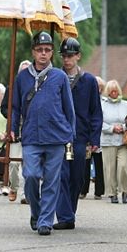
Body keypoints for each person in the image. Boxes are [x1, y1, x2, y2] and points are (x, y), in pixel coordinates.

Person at [11, 31, 75, 236]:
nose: (43, 54)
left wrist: (70, 134)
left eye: (47, 50)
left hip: (56, 135)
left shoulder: (60, 76)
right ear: (33, 51)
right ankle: (36, 213)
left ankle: (45, 221)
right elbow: (14, 107)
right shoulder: (22, 77)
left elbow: (69, 108)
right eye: (39, 50)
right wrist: (12, 128)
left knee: (51, 180)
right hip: (31, 136)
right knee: (30, 176)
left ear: (52, 53)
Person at [54, 37, 102, 230]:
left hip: (81, 136)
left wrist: (95, 138)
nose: (67, 59)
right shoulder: (55, 77)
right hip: (59, 135)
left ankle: (69, 212)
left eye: (71, 55)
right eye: (64, 56)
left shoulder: (89, 80)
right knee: (61, 175)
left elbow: (96, 111)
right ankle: (65, 216)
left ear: (78, 56)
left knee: (77, 177)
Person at [1, 59, 31, 203]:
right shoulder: (11, 87)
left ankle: (26, 194)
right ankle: (14, 187)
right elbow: (4, 107)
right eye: (22, 70)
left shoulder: (36, 86)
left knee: (28, 162)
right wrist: (13, 115)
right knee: (13, 163)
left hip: (30, 128)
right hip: (15, 129)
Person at [101, 80, 127, 204]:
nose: (114, 93)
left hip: (123, 140)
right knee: (110, 168)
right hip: (108, 140)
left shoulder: (126, 104)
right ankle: (112, 193)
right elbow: (98, 122)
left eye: (116, 90)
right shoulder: (102, 105)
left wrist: (123, 127)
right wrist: (112, 128)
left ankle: (124, 191)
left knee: (123, 166)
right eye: (111, 91)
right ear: (108, 92)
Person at [80, 76, 106, 200]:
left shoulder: (104, 101)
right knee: (85, 164)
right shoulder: (86, 99)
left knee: (99, 165)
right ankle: (83, 190)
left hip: (101, 135)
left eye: (100, 87)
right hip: (87, 135)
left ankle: (99, 191)